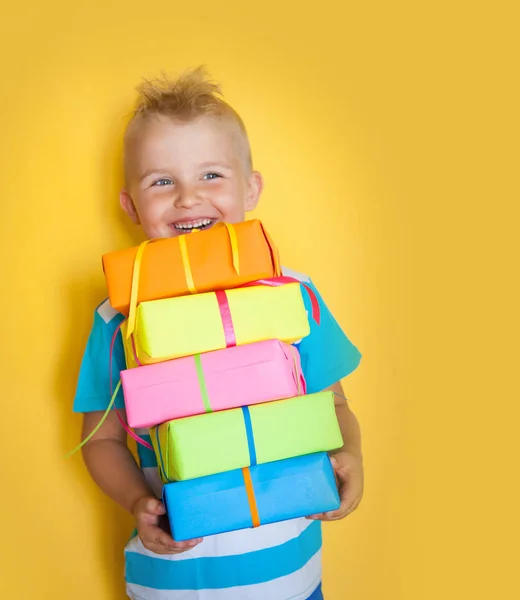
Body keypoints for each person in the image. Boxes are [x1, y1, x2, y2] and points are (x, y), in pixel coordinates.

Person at [73, 66, 363, 600]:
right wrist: (138, 501)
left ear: (250, 189)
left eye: (211, 175)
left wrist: (353, 459)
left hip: (293, 575)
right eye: (162, 181)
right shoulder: (119, 318)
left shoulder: (292, 294)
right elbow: (103, 439)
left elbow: (335, 403)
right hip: (178, 581)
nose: (188, 198)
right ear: (132, 206)